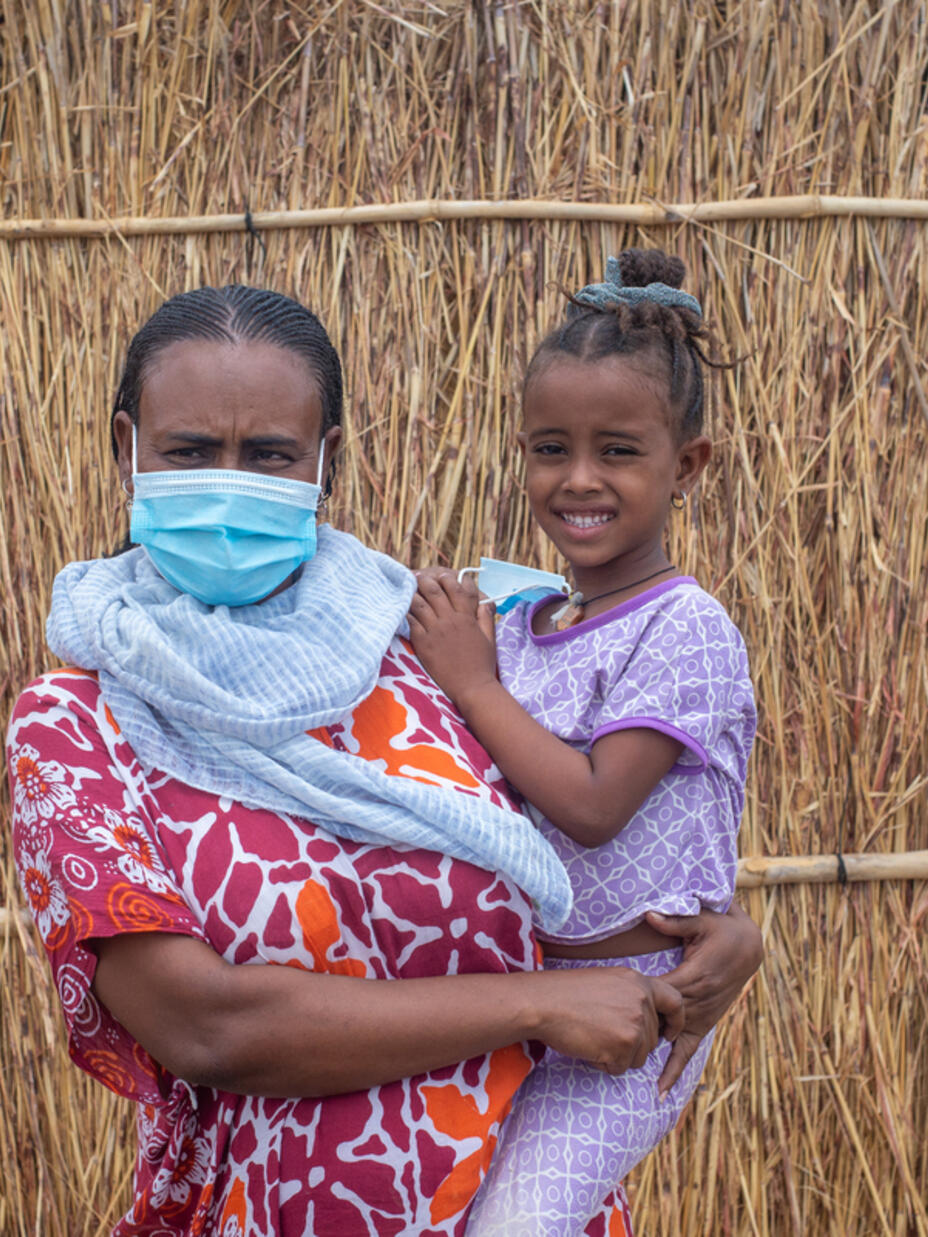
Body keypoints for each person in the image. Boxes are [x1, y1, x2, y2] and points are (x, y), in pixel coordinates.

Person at [7, 284, 760, 1237]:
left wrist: (721, 931)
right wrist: (542, 1000)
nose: (230, 482)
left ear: (325, 462)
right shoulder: (74, 728)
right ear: (129, 449)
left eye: (271, 454)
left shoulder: (412, 658)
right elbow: (208, 1026)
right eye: (191, 451)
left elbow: (589, 823)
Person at [407, 249, 756, 1235]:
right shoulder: (521, 625)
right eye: (549, 448)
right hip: (508, 993)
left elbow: (597, 808)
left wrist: (469, 680)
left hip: (633, 1013)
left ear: (687, 465)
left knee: (515, 1226)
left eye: (618, 450)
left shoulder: (684, 628)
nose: (579, 479)